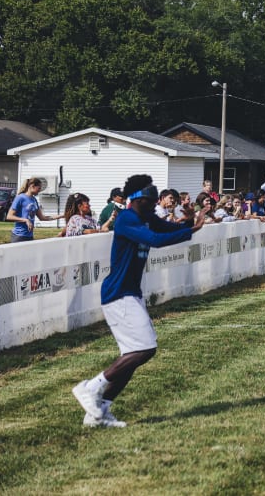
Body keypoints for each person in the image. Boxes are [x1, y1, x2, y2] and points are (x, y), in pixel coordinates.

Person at [70, 173, 205, 428]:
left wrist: (189, 220)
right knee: (145, 349)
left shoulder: (145, 216)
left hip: (130, 293)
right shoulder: (126, 220)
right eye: (151, 200)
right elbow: (155, 240)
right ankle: (90, 387)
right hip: (118, 294)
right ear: (136, 199)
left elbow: (169, 229)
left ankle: (98, 412)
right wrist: (192, 230)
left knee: (131, 358)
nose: (155, 205)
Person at [7, 177, 55, 243]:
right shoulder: (20, 198)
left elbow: (42, 217)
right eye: (39, 188)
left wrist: (62, 216)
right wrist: (25, 220)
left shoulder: (34, 200)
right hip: (19, 236)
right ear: (32, 186)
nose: (40, 190)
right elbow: (9, 216)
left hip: (29, 236)